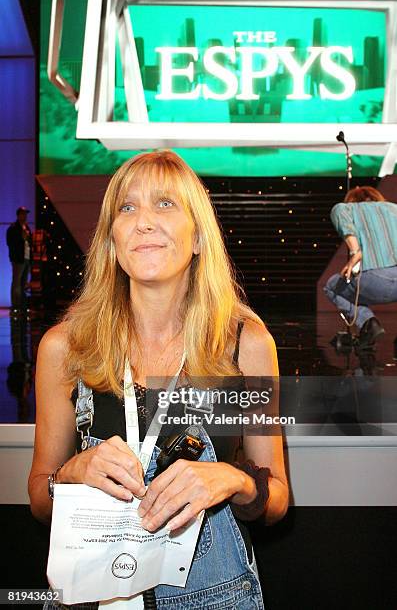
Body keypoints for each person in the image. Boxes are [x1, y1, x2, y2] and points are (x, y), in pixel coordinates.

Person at [28, 150, 288, 609]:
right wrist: (70, 475)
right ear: (112, 240)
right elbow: (39, 496)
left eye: (165, 204)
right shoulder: (65, 348)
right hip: (92, 597)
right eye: (127, 208)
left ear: (197, 239)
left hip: (215, 597)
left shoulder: (245, 345)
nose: (144, 222)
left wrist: (233, 480)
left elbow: (278, 499)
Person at [324, 186, 397, 346]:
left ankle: (368, 323)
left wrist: (355, 251)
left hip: (376, 279)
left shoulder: (346, 208)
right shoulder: (394, 209)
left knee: (331, 286)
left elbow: (339, 213)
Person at [6, 206, 32, 314]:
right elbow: (10, 242)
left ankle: (22, 306)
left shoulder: (26, 227)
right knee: (16, 283)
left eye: (26, 214)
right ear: (18, 215)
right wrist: (21, 238)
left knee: (23, 283)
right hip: (18, 259)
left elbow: (29, 242)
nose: (25, 216)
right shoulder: (13, 228)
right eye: (23, 214)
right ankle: (15, 306)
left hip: (26, 258)